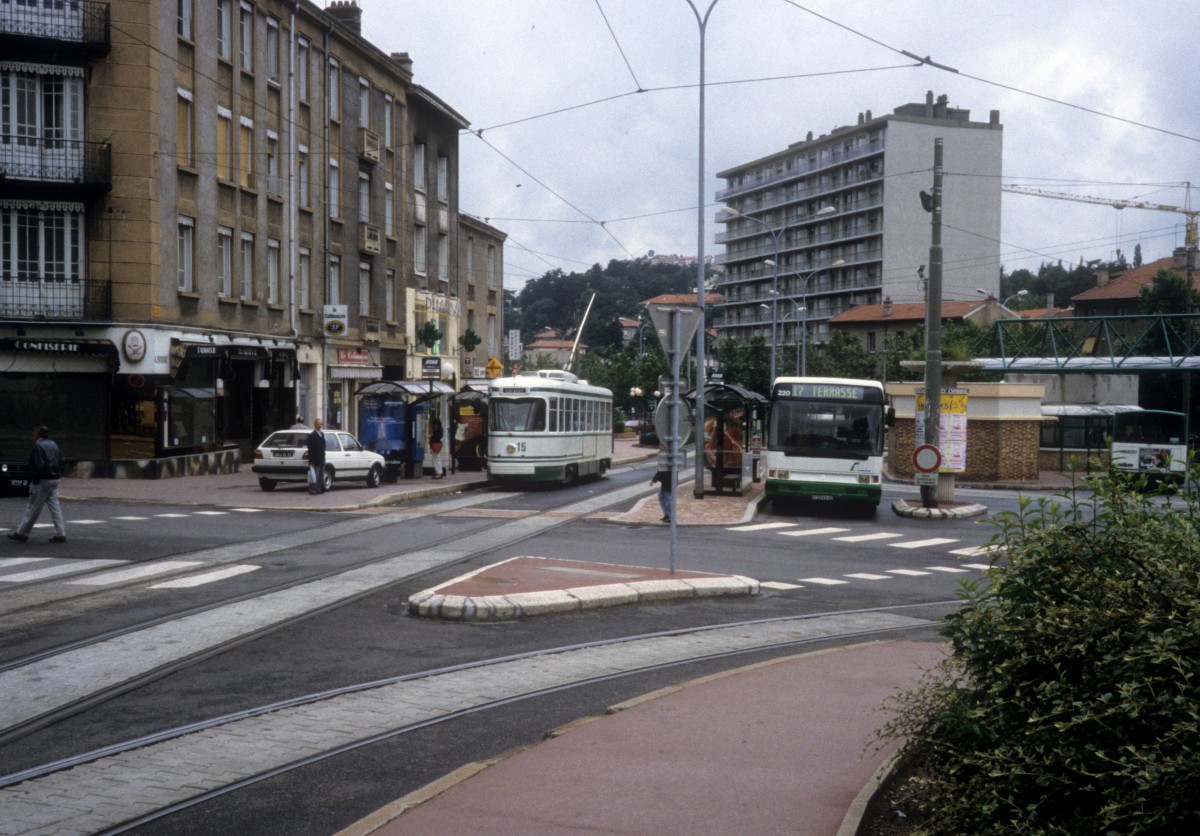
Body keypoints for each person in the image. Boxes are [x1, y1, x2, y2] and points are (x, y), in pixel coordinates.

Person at [8, 425, 67, 543]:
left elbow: (38, 465)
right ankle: (60, 533)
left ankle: (22, 533)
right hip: (54, 478)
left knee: (32, 507)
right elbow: (62, 461)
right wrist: (59, 472)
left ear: (38, 434)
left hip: (43, 480)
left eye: (34, 432)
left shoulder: (38, 446)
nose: (32, 434)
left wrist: (33, 479)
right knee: (55, 507)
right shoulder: (54, 444)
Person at [307, 418, 327, 494]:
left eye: (320, 424)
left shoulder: (322, 434)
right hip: (315, 459)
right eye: (317, 424)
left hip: (322, 458)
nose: (319, 425)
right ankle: (313, 489)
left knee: (321, 475)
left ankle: (319, 489)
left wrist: (324, 455)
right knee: (314, 475)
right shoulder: (312, 435)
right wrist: (311, 460)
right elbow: (310, 449)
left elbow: (323, 446)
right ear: (315, 425)